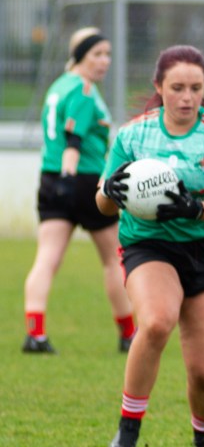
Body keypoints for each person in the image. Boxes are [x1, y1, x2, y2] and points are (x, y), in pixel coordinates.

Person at [96, 45, 204, 447]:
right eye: (177, 88)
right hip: (150, 244)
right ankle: (128, 428)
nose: (187, 97)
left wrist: (195, 209)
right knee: (157, 321)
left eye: (196, 88)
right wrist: (110, 191)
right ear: (159, 87)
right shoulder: (133, 136)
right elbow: (102, 203)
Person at [22, 27, 136, 354]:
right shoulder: (84, 90)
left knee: (46, 258)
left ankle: (35, 334)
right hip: (83, 180)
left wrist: (61, 180)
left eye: (108, 54)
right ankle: (128, 334)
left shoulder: (58, 85)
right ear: (80, 55)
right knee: (114, 259)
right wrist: (71, 176)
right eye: (97, 54)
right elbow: (74, 140)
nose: (105, 61)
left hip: (50, 178)